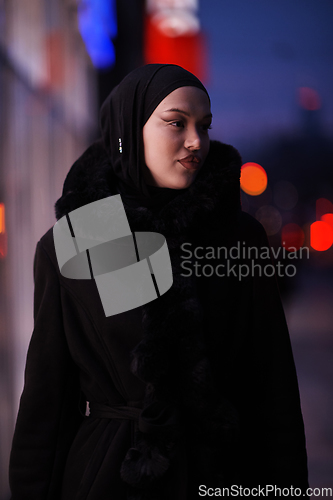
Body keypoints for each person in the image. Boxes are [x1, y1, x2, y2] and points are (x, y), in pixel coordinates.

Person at [9, 64, 309, 499]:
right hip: (109, 477)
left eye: (204, 126)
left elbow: (273, 392)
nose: (196, 142)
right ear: (129, 132)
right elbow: (46, 407)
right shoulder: (79, 241)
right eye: (176, 123)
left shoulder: (237, 236)